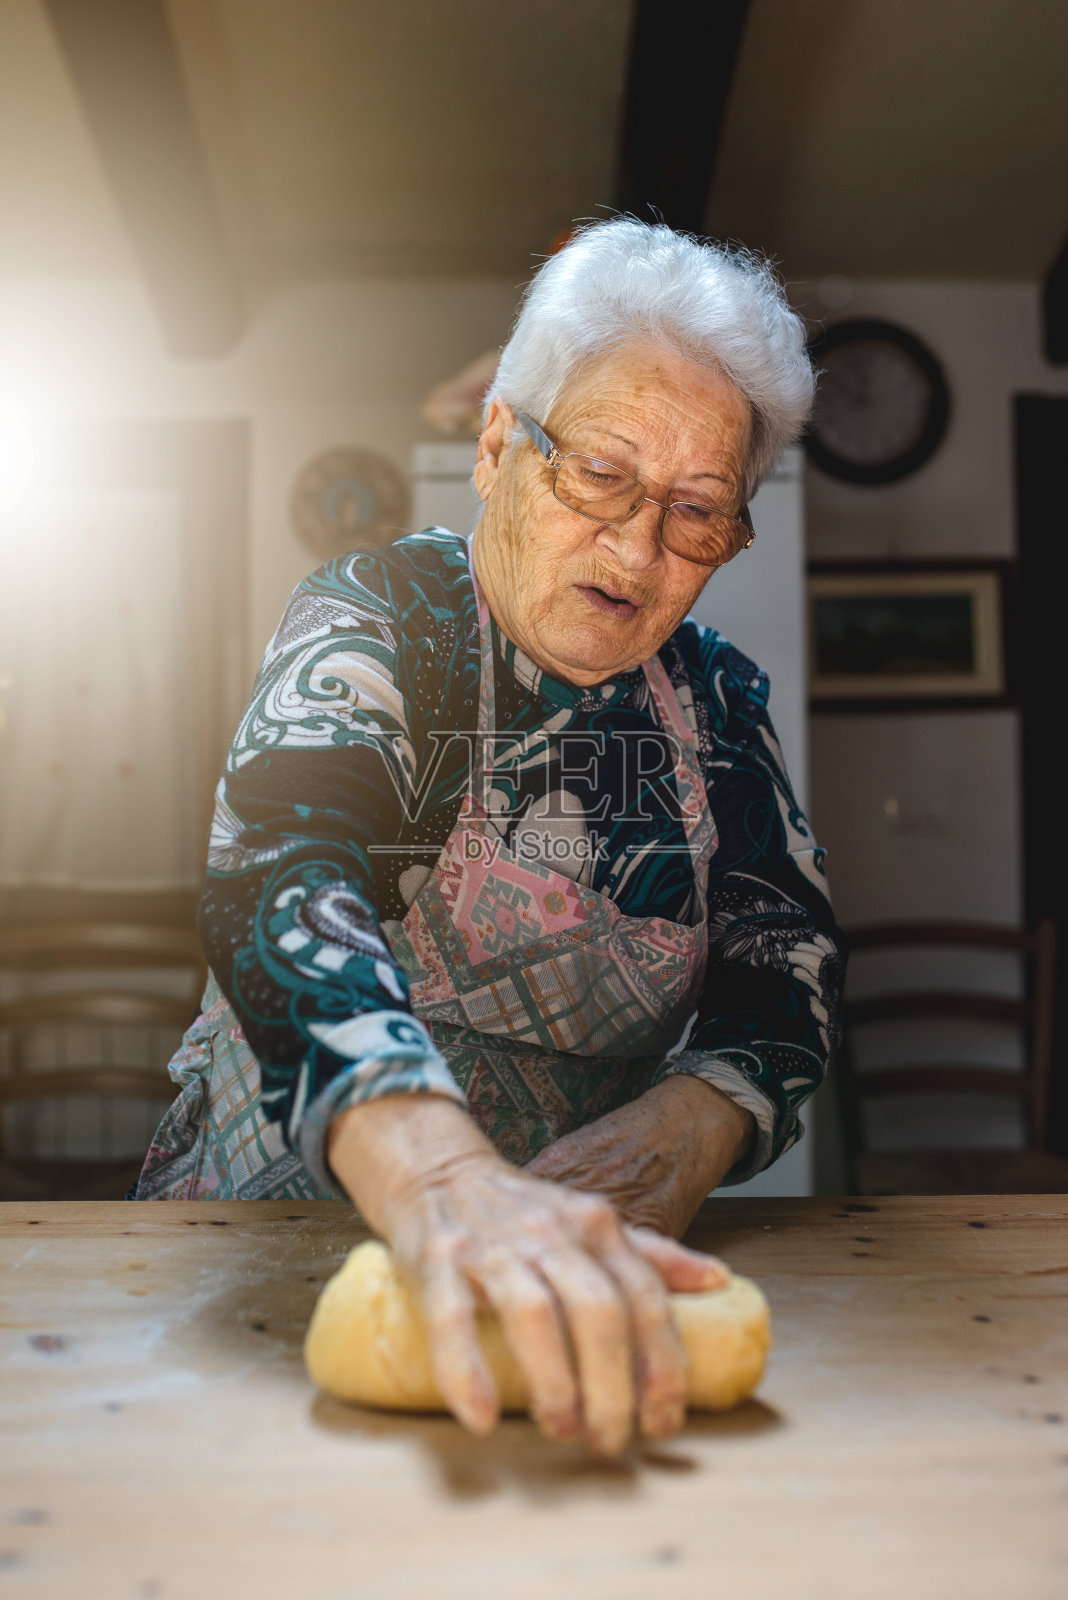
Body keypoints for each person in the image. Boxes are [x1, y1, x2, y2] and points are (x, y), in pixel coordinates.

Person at [136, 219, 844, 1456]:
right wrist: (436, 1177)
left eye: (696, 513)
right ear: (497, 444)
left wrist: (691, 1125)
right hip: (269, 1266)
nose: (636, 549)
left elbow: (787, 963)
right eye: (601, 474)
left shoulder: (717, 702)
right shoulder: (383, 618)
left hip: (579, 1303)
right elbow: (278, 873)